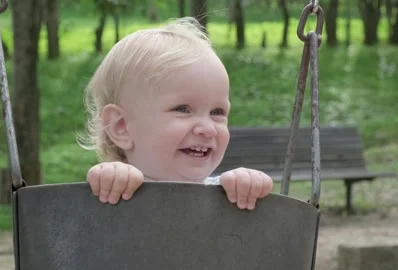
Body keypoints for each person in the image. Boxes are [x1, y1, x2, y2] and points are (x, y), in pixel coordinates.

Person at [78, 17, 273, 211]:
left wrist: (247, 186)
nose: (208, 129)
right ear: (121, 127)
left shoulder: (227, 194)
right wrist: (109, 179)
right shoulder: (113, 189)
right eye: (182, 109)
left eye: (217, 112)